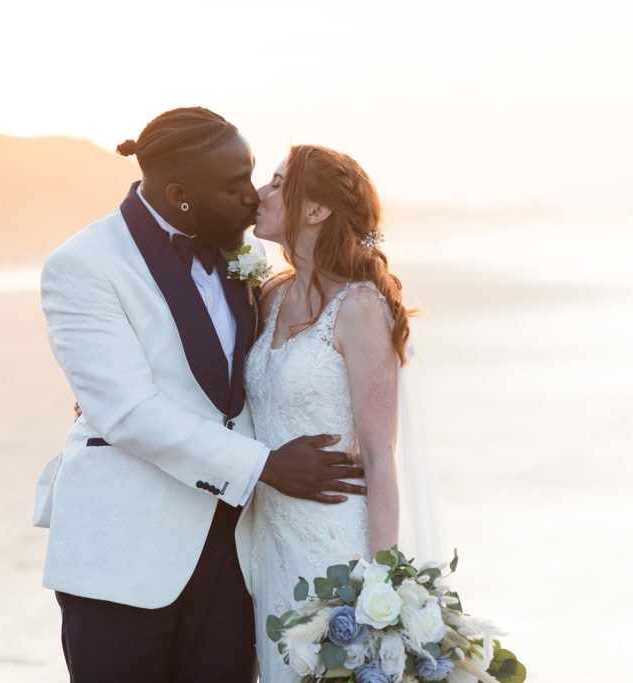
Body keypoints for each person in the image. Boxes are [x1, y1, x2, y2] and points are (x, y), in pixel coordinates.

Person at [35, 108, 365, 683]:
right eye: (235, 185)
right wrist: (266, 466)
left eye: (255, 175)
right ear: (181, 195)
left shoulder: (250, 260)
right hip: (124, 554)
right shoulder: (83, 266)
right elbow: (130, 412)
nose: (252, 197)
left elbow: (263, 379)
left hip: (234, 553)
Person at [246, 145, 415, 681]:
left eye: (276, 183)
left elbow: (381, 457)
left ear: (316, 210)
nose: (260, 194)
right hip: (267, 544)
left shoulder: (361, 307)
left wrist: (379, 588)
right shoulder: (268, 296)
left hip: (336, 548)